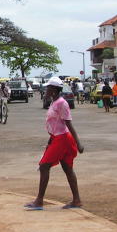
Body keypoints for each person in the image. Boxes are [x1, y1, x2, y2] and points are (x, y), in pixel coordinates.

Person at [24, 76, 84, 210]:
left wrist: (78, 143)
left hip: (62, 138)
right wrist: (50, 141)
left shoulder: (62, 103)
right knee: (67, 168)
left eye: (48, 88)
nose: (46, 90)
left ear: (54, 90)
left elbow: (68, 124)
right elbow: (55, 125)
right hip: (56, 138)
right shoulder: (54, 102)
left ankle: (39, 201)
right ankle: (77, 200)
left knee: (44, 166)